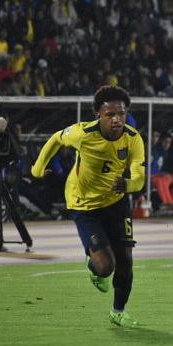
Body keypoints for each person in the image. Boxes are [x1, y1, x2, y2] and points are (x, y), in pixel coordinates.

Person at [31, 86, 145, 328]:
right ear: (98, 116)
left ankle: (118, 311)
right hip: (84, 204)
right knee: (106, 267)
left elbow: (140, 177)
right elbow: (55, 139)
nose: (117, 119)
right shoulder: (82, 133)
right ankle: (94, 266)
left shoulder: (133, 138)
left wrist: (128, 184)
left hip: (116, 201)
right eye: (110, 114)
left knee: (125, 259)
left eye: (121, 114)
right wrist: (37, 168)